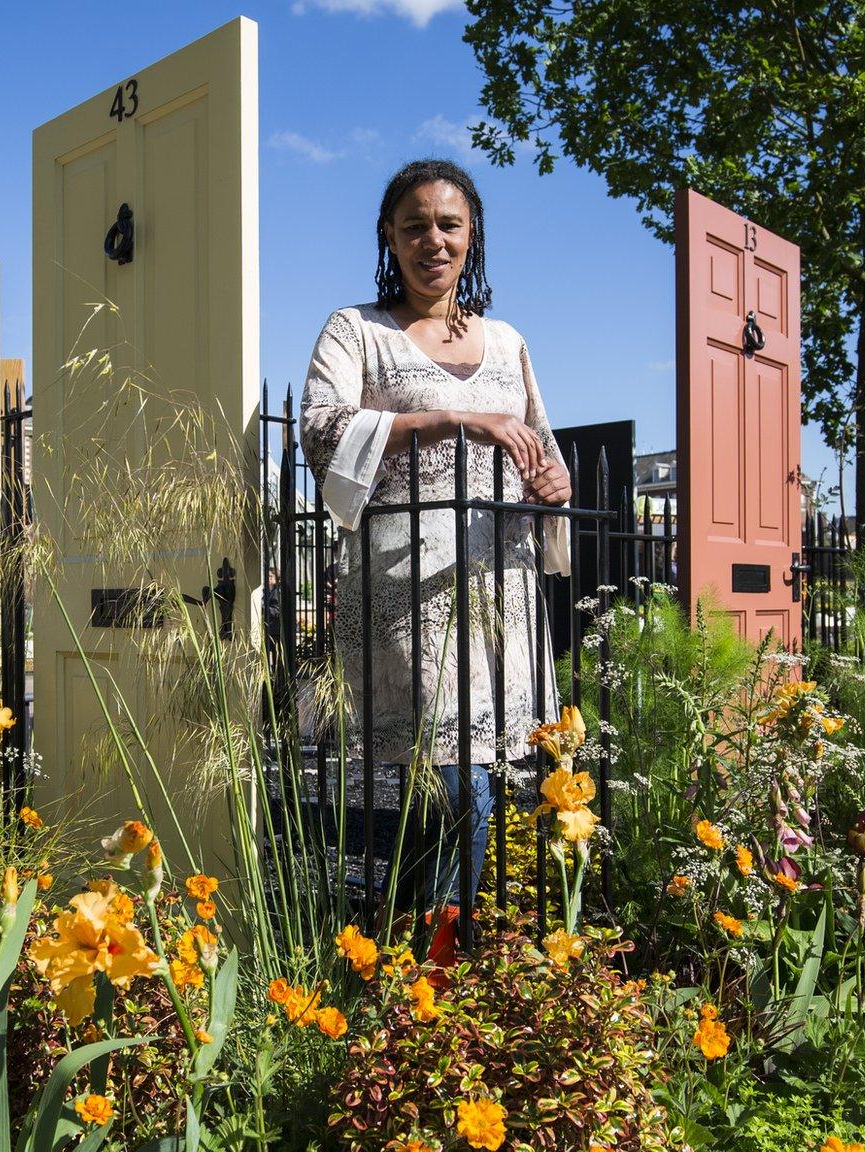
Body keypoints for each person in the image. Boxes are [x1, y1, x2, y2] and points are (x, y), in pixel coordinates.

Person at [299, 158, 572, 953]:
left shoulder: (511, 341)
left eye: (448, 225)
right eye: (414, 225)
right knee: (451, 779)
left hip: (502, 586)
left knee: (482, 775)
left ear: (472, 235)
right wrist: (452, 419)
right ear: (389, 235)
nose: (432, 241)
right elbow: (321, 429)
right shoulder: (357, 331)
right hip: (405, 588)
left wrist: (550, 477)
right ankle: (439, 953)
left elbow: (543, 449)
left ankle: (423, 946)